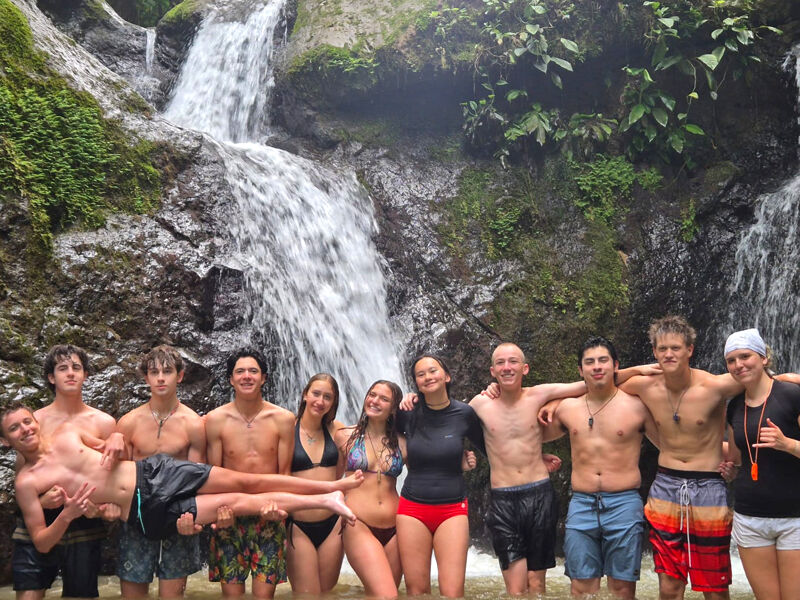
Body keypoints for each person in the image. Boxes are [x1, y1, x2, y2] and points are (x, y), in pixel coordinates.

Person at [1, 402, 363, 554]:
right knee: (241, 503)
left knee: (246, 481)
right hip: (141, 511)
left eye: (26, 421)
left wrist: (112, 438)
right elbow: (42, 542)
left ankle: (331, 487)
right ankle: (323, 501)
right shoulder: (28, 482)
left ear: (35, 419)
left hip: (156, 472)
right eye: (14, 429)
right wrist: (67, 514)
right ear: (7, 441)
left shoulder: (67, 432)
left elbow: (116, 445)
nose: (24, 430)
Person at [450, 342, 655, 594]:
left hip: (539, 495)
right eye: (500, 363)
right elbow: (452, 425)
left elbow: (595, 381)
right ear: (492, 371)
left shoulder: (540, 395)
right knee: (517, 589)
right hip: (503, 498)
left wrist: (644, 369)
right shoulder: (480, 403)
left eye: (513, 361)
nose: (507, 367)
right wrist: (415, 404)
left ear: (525, 368)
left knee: (537, 583)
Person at [609, 316, 742, 600]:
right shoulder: (645, 386)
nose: (669, 354)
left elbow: (762, 379)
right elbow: (602, 382)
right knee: (669, 587)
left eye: (676, 348)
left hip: (707, 487)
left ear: (689, 350)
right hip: (665, 487)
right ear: (655, 353)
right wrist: (640, 370)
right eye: (662, 349)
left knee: (714, 587)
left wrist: (737, 458)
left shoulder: (715, 386)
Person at [542, 337, 658, 599]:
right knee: (581, 588)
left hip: (624, 503)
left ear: (615, 365)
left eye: (603, 360)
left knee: (622, 587)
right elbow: (523, 436)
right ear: (580, 370)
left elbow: (669, 444)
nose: (597, 367)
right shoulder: (567, 408)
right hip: (581, 504)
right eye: (590, 362)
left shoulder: (637, 405)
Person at [11, 344, 125, 600]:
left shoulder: (104, 422)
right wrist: (40, 501)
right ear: (52, 377)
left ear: (85, 374)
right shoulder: (34, 422)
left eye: (76, 367)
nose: (70, 373)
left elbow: (116, 479)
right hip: (40, 521)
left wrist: (109, 509)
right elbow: (23, 477)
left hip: (85, 521)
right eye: (62, 368)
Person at [115, 345, 207, 598]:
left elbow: (197, 479)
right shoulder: (128, 423)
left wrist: (193, 519)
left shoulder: (194, 424)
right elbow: (117, 479)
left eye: (167, 371)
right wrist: (111, 508)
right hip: (136, 516)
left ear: (180, 375)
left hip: (177, 516)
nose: (160, 377)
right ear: (146, 378)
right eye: (154, 372)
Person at [204, 348, 295, 599]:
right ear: (231, 379)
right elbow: (214, 476)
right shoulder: (215, 420)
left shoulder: (284, 419)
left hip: (269, 513)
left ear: (263, 378)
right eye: (240, 371)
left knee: (264, 597)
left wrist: (280, 511)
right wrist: (219, 513)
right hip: (229, 516)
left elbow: (284, 474)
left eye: (253, 371)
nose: (247, 376)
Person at [395, 354, 484, 598]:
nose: (427, 377)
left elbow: (492, 447)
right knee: (417, 591)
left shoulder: (465, 414)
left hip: (452, 509)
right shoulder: (407, 413)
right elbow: (374, 428)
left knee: (453, 592)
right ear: (416, 383)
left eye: (432, 371)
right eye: (420, 374)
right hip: (412, 508)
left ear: (446, 376)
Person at [721, 329, 800, 600]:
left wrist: (787, 444)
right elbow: (737, 457)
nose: (738, 364)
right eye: (731, 360)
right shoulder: (734, 407)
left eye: (745, 356)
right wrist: (730, 470)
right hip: (750, 518)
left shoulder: (791, 395)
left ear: (763, 358)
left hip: (795, 518)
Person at [334, 380, 407, 599]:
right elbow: (333, 480)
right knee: (387, 595)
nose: (374, 401)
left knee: (381, 594)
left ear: (394, 408)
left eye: (383, 399)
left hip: (397, 527)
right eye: (372, 395)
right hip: (358, 523)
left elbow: (425, 475)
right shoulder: (345, 436)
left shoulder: (403, 443)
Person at [286, 374, 346, 594]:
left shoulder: (336, 429)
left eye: (327, 397)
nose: (320, 401)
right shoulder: (287, 428)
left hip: (333, 523)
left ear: (333, 403)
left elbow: (342, 470)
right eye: (316, 394)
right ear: (305, 395)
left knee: (327, 591)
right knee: (307, 594)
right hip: (298, 524)